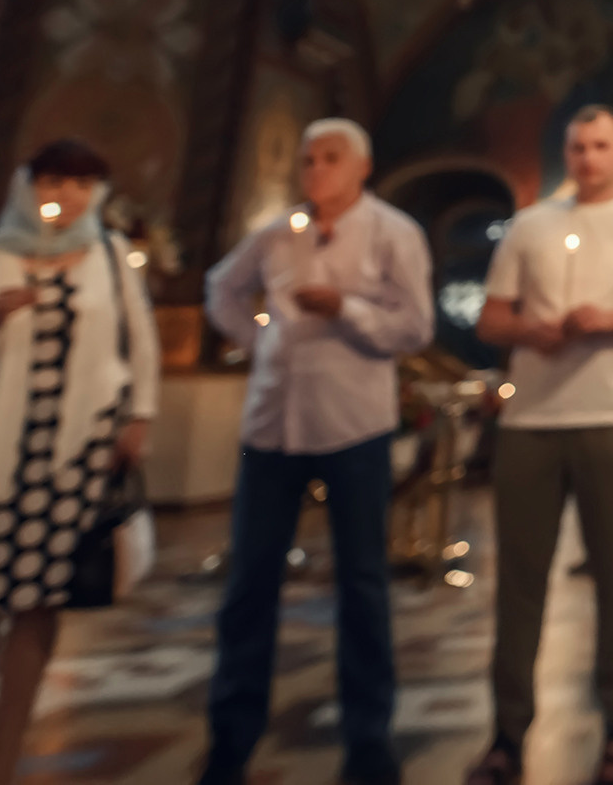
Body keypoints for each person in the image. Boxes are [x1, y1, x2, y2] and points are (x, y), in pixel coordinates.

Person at [200, 118, 435, 785]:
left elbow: (415, 325)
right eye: (307, 159)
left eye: (330, 159)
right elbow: (222, 285)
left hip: (353, 423)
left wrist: (347, 309)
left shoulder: (393, 232)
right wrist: (258, 340)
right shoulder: (276, 233)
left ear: (361, 167)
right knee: (250, 582)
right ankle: (231, 737)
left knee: (361, 580)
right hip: (272, 426)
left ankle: (368, 738)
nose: (315, 171)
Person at [467, 106, 613, 785]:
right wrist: (530, 330)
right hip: (532, 421)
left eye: (600, 145)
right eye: (576, 146)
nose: (588, 157)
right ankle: (508, 733)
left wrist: (611, 319)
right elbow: (490, 315)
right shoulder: (532, 225)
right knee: (520, 581)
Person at [0, 140, 155, 785]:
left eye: (86, 185)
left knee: (39, 606)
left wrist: (138, 415)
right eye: (56, 182)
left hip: (71, 456)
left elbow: (136, 339)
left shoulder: (110, 258)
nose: (70, 197)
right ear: (27, 185)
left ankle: (2, 765)